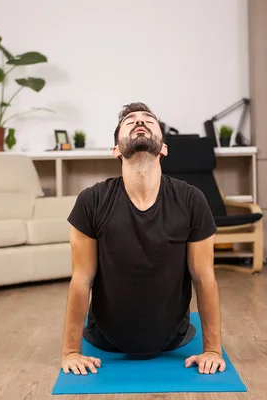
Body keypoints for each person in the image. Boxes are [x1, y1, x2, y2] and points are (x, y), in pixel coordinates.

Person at [60, 102, 225, 375]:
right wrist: (71, 352)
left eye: (148, 120)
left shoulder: (192, 199)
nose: (139, 122)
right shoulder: (91, 201)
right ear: (116, 150)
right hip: (105, 340)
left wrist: (212, 350)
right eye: (130, 121)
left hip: (174, 339)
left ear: (163, 147)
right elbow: (81, 278)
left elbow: (204, 277)